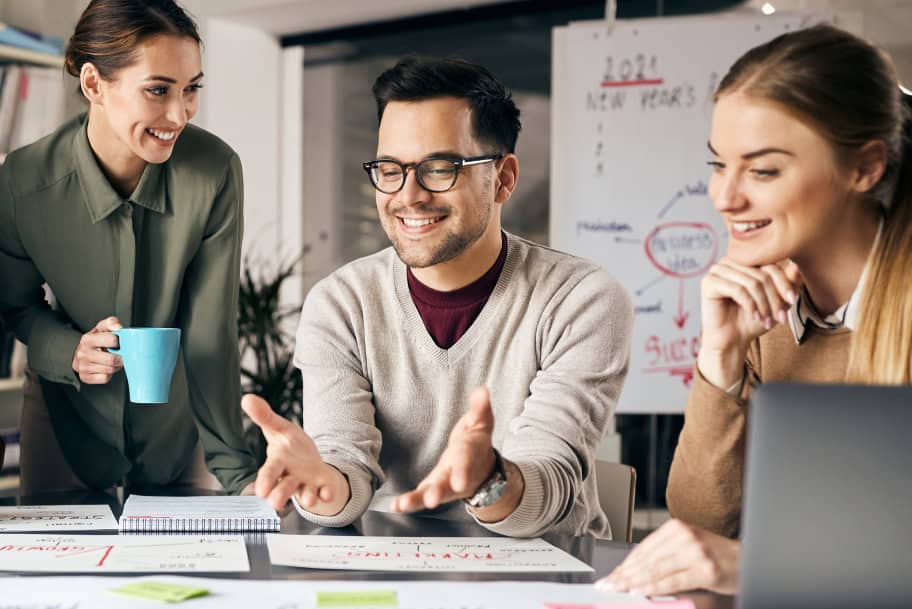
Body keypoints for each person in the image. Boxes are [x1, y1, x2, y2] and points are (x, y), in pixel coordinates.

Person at [241, 56, 633, 537]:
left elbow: (551, 483)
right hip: (386, 569)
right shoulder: (341, 303)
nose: (409, 196)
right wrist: (325, 484)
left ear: (504, 178)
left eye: (439, 168)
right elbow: (344, 466)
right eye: (390, 169)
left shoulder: (581, 300)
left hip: (540, 572)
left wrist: (488, 481)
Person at [597, 24, 911, 595]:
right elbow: (700, 525)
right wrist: (721, 357)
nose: (725, 196)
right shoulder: (769, 320)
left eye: (762, 170)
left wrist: (757, 565)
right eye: (719, 164)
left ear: (864, 168)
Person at [0, 0, 257, 494]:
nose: (178, 114)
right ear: (94, 84)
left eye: (191, 90)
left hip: (181, 427)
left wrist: (237, 471)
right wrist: (68, 351)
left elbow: (211, 331)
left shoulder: (215, 170)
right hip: (65, 417)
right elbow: (15, 306)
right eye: (158, 90)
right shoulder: (22, 182)